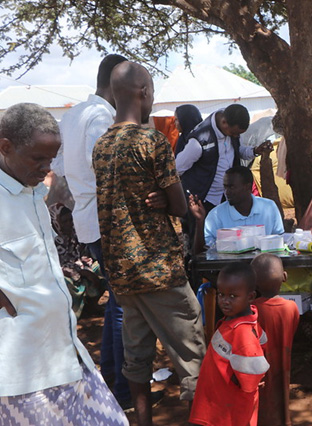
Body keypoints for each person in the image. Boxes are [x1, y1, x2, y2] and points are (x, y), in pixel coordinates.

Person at [92, 61, 206, 426]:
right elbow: (178, 205)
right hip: (159, 268)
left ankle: (141, 421)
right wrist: (164, 197)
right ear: (143, 92)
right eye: (153, 90)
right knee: (192, 356)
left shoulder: (102, 145)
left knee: (136, 356)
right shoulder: (151, 140)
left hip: (122, 273)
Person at [0, 103, 128, 425]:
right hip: (23, 374)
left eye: (51, 158)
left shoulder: (30, 192)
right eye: (37, 158)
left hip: (63, 352)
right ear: (6, 147)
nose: (47, 167)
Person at [54, 53, 140, 408]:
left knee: (115, 302)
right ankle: (121, 391)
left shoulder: (72, 114)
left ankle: (110, 382)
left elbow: (59, 166)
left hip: (88, 220)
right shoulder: (103, 115)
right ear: (117, 84)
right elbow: (105, 166)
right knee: (124, 305)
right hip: (108, 219)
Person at [189, 262, 270, 426]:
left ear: (250, 296)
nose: (224, 301)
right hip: (220, 403)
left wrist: (254, 378)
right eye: (221, 294)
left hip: (227, 410)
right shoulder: (243, 320)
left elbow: (252, 372)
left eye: (233, 296)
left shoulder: (242, 331)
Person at [176, 103, 271, 213]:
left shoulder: (231, 128)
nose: (235, 137)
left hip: (226, 199)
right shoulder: (199, 141)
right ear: (224, 123)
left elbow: (237, 151)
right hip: (204, 202)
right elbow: (177, 169)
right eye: (234, 133)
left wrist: (254, 151)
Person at [251, 254, 300, 426]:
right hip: (283, 363)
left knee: (261, 404)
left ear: (253, 283)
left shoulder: (252, 310)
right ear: (285, 277)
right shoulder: (292, 308)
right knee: (282, 396)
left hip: (258, 369)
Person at [190, 165, 284, 253]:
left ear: (247, 187)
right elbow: (201, 252)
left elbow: (279, 241)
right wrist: (200, 221)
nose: (227, 192)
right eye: (225, 187)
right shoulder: (216, 215)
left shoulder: (269, 207)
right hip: (229, 267)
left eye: (231, 187)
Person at [49, 202, 106, 318]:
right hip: (61, 273)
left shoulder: (75, 234)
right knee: (65, 281)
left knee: (101, 268)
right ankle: (73, 312)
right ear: (55, 222)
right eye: (64, 221)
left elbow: (81, 255)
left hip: (79, 267)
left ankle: (91, 305)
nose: (69, 224)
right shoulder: (49, 241)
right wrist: (79, 272)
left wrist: (84, 268)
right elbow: (50, 266)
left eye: (70, 220)